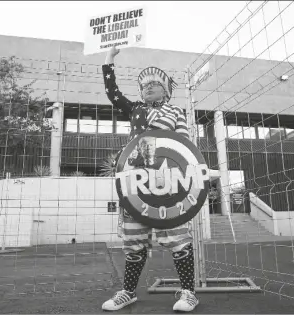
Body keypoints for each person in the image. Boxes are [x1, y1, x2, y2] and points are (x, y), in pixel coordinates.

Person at [101, 46, 198, 312]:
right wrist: (109, 59)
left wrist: (195, 173)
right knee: (134, 240)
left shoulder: (176, 112)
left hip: (168, 182)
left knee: (178, 236)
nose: (148, 88)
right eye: (144, 86)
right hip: (134, 182)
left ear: (167, 90)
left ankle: (188, 292)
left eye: (155, 84)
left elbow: (185, 145)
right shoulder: (135, 109)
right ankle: (128, 292)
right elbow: (113, 93)